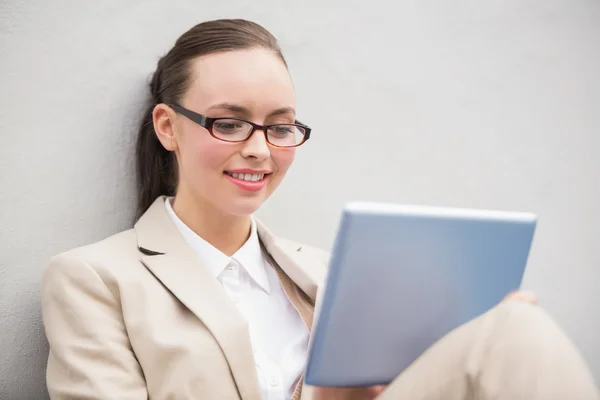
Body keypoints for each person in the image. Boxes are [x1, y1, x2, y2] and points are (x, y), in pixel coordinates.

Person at [41, 19, 599, 400]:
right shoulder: (95, 279)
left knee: (509, 327)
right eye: (229, 122)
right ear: (169, 126)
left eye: (280, 126)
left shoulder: (332, 273)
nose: (260, 150)